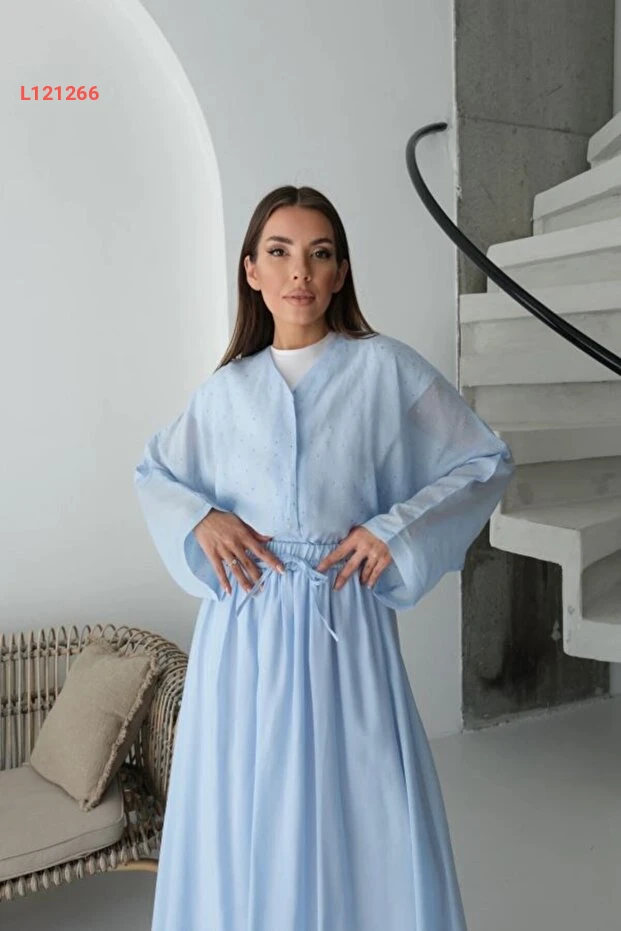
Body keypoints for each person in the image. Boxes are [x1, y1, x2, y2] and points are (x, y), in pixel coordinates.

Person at [134, 185, 515, 931]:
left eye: (319, 253)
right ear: (251, 270)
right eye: (278, 252)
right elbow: (155, 473)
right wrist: (202, 517)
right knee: (244, 797)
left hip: (343, 623)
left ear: (340, 272)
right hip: (241, 634)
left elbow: (483, 460)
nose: (299, 272)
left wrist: (392, 530)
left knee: (361, 796)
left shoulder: (384, 370)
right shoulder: (223, 393)